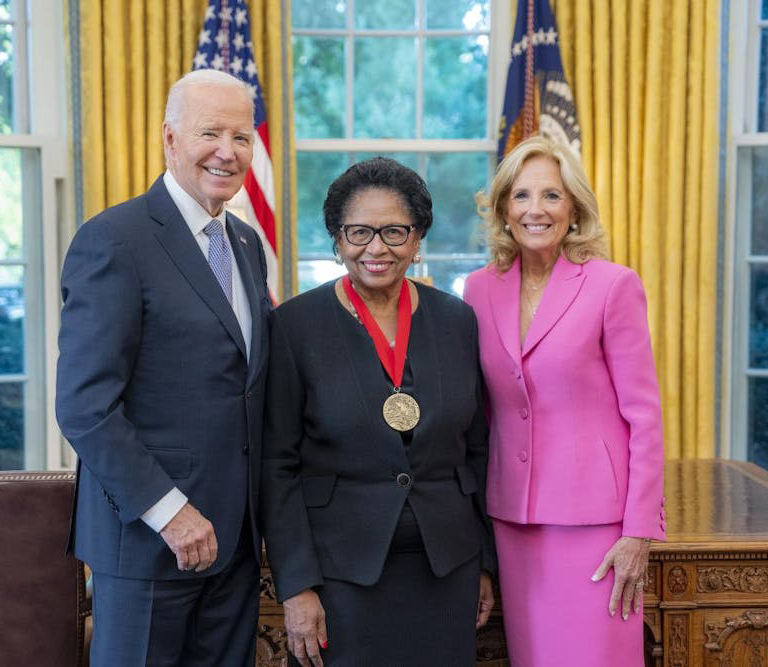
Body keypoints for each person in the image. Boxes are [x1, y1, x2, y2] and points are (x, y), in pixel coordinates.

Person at [56, 69, 271, 666]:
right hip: (149, 543)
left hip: (235, 543)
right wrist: (171, 512)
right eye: (210, 133)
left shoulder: (247, 245)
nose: (228, 152)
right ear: (169, 138)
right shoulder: (114, 240)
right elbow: (84, 405)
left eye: (242, 136)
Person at [261, 157, 496, 667]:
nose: (376, 248)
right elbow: (277, 466)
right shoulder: (294, 327)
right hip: (341, 572)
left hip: (447, 567)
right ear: (336, 239)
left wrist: (485, 563)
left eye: (394, 231)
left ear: (417, 239)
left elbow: (476, 450)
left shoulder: (457, 321)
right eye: (359, 231)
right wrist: (296, 584)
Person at [463, 135, 666, 666]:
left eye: (552, 195)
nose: (537, 209)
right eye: (523, 195)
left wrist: (639, 531)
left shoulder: (612, 286)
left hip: (597, 525)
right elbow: (480, 409)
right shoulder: (479, 289)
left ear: (573, 208)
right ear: (504, 208)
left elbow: (643, 416)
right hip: (513, 519)